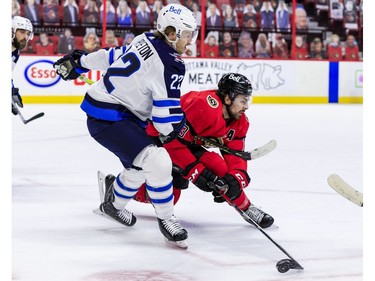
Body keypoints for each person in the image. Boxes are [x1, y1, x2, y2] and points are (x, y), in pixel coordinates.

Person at [52, 3, 198, 248]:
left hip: (108, 113)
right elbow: (164, 120)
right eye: (186, 35)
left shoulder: (146, 38)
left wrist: (80, 63)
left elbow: (111, 56)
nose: (189, 41)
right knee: (159, 161)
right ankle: (166, 219)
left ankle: (113, 205)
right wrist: (183, 135)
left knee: (140, 167)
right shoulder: (172, 63)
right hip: (112, 118)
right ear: (171, 33)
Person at [136, 73, 275, 229]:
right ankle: (126, 188)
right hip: (159, 139)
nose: (246, 106)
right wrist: (195, 171)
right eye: (243, 100)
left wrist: (237, 177)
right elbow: (170, 140)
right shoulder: (202, 106)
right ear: (228, 98)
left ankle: (246, 207)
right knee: (171, 197)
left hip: (185, 143)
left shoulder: (240, 121)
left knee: (221, 169)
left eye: (247, 100)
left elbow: (235, 155)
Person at [12, 16, 34, 115]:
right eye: (22, 32)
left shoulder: (15, 52)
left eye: (28, 33)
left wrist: (12, 91)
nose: (25, 37)